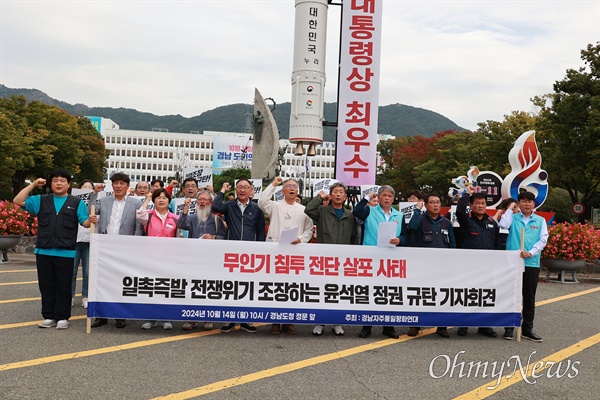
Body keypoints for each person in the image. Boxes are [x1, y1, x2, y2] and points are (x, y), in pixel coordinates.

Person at [13, 170, 91, 330]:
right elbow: (18, 200)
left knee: (63, 285)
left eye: (63, 180)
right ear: (50, 183)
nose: (59, 183)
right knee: (46, 285)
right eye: (55, 180)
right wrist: (33, 184)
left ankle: (62, 317)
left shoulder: (76, 202)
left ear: (68, 184)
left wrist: (92, 219)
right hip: (44, 251)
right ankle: (49, 316)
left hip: (67, 252)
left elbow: (85, 223)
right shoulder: (41, 200)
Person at [88, 172, 144, 329]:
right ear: (112, 185)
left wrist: (134, 244)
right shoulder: (104, 200)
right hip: (105, 247)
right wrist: (94, 194)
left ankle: (120, 315)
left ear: (127, 186)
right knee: (102, 281)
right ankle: (101, 316)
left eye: (122, 183)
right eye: (115, 183)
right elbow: (90, 211)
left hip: (125, 247)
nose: (118, 186)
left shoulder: (135, 203)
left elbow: (139, 226)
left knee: (122, 281)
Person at [259, 177, 314, 335]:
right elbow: (262, 202)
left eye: (294, 187)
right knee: (276, 287)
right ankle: (275, 321)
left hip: (295, 252)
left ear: (298, 191)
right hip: (276, 251)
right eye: (288, 186)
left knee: (291, 287)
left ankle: (289, 321)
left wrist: (301, 239)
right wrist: (273, 184)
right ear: (282, 191)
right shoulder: (275, 206)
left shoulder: (304, 209)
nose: (291, 188)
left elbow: (309, 229)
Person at [353, 185, 407, 339]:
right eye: (384, 195)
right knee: (369, 292)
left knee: (389, 293)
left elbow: (405, 236)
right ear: (379, 197)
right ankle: (367, 326)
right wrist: (367, 198)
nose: (387, 198)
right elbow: (356, 212)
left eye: (390, 196)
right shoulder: (370, 210)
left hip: (390, 258)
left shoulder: (399, 215)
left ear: (393, 198)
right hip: (371, 256)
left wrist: (400, 240)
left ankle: (388, 327)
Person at [212, 178, 266, 333]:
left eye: (246, 187)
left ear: (251, 190)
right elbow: (215, 206)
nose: (242, 190)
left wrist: (260, 251)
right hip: (232, 253)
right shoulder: (229, 206)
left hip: (250, 254)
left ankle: (246, 320)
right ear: (235, 190)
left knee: (247, 286)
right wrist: (222, 190)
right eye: (239, 187)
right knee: (231, 286)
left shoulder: (256, 209)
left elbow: (261, 231)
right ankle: (229, 319)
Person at [305, 182, 358, 336]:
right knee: (322, 290)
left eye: (341, 192)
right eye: (335, 191)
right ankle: (319, 322)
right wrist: (320, 197)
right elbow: (308, 209)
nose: (338, 194)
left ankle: (337, 322)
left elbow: (354, 237)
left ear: (346, 196)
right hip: (324, 259)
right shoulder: (322, 211)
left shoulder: (350, 215)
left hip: (344, 260)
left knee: (340, 291)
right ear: (331, 194)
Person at [499, 191, 548, 342]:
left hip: (531, 263)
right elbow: (502, 224)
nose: (527, 204)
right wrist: (509, 209)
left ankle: (527, 328)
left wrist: (531, 252)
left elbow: (543, 240)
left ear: (534, 204)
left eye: (530, 201)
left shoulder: (540, 221)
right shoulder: (512, 218)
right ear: (519, 203)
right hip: (512, 262)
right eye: (524, 201)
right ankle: (509, 328)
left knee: (529, 297)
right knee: (511, 295)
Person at [407, 193, 456, 338]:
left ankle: (442, 326)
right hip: (423, 266)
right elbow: (412, 227)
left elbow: (452, 242)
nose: (435, 205)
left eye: (438, 202)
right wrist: (417, 209)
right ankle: (415, 326)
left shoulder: (446, 222)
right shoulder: (420, 219)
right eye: (432, 202)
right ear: (426, 205)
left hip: (443, 266)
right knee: (420, 295)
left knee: (442, 295)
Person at [177, 189, 226, 332]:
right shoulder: (192, 218)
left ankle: (208, 318)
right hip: (193, 259)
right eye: (200, 200)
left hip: (210, 260)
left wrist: (214, 238)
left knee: (208, 288)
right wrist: (185, 209)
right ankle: (191, 319)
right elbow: (181, 224)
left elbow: (224, 238)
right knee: (192, 288)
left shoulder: (217, 221)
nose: (202, 202)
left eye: (206, 200)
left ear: (211, 203)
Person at [455, 185, 500, 338]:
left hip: (488, 267)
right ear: (471, 205)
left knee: (486, 296)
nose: (480, 206)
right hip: (469, 266)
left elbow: (497, 244)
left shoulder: (492, 223)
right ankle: (463, 325)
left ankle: (484, 325)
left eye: (483, 203)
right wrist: (467, 194)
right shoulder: (466, 221)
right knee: (468, 295)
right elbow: (459, 211)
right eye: (477, 203)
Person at [136, 189, 179, 330]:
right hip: (150, 258)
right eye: (158, 198)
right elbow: (139, 214)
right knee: (150, 288)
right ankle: (150, 318)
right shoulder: (148, 215)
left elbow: (180, 238)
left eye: (164, 198)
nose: (161, 200)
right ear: (154, 201)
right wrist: (147, 199)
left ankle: (167, 319)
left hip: (169, 258)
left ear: (169, 201)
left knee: (167, 288)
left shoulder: (175, 218)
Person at [71, 179, 94, 309]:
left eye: (89, 187)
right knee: (71, 271)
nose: (86, 189)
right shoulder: (74, 203)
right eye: (84, 187)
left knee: (87, 272)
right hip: (74, 241)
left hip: (90, 241)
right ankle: (70, 296)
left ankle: (86, 296)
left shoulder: (96, 203)